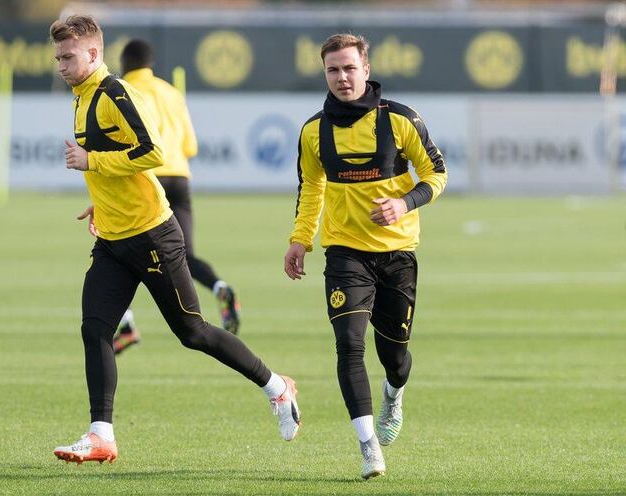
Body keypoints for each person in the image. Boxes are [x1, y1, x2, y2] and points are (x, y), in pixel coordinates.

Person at [49, 15, 301, 465]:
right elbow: (118, 163)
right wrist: (101, 201)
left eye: (68, 57)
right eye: (58, 58)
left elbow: (153, 153)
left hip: (152, 236)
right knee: (96, 328)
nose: (61, 65)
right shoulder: (81, 95)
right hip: (113, 238)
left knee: (194, 332)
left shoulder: (113, 93)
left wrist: (92, 162)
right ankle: (101, 435)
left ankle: (277, 388)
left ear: (93, 54)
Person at [283, 33, 447, 479]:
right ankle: (368, 443)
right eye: (333, 70)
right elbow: (311, 186)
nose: (342, 77)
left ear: (366, 70)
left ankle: (393, 393)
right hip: (344, 254)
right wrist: (301, 239)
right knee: (349, 344)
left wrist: (404, 203)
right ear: (325, 74)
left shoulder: (400, 120)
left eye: (349, 68)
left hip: (397, 255)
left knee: (394, 356)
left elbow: (437, 173)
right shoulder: (313, 130)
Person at [120, 38, 242, 338]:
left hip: (148, 178)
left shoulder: (122, 91)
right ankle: (219, 287)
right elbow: (191, 145)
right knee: (184, 253)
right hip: (180, 177)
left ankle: (125, 322)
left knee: (120, 250)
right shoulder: (171, 91)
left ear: (124, 63)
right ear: (151, 63)